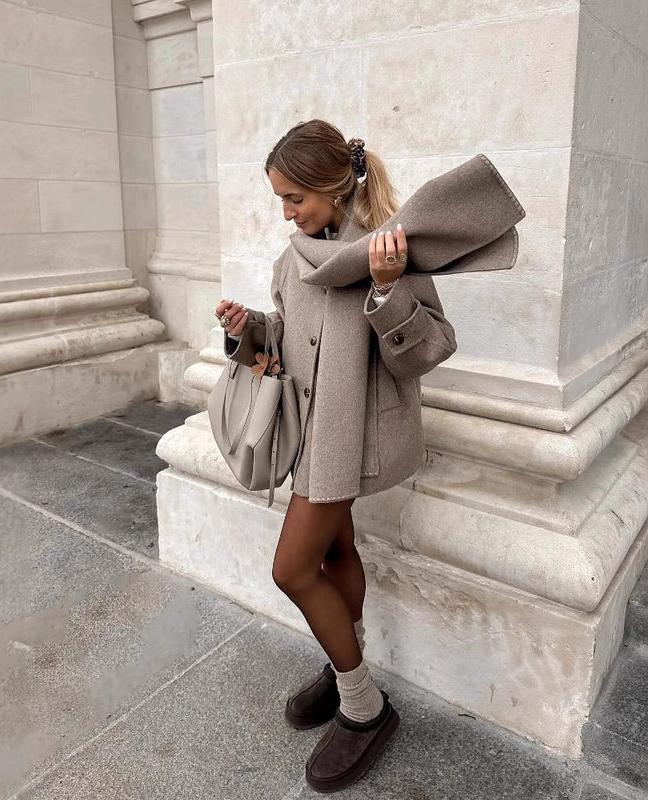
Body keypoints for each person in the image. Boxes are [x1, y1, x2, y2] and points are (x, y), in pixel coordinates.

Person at [213, 120, 457, 793]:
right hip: (306, 432)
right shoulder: (292, 258)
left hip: (353, 437)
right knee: (332, 556)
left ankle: (364, 706)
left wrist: (384, 289)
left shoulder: (385, 248)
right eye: (280, 201)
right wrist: (247, 332)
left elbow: (431, 349)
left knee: (291, 569)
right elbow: (285, 339)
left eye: (295, 198)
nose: (287, 212)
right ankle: (342, 653)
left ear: (331, 185)